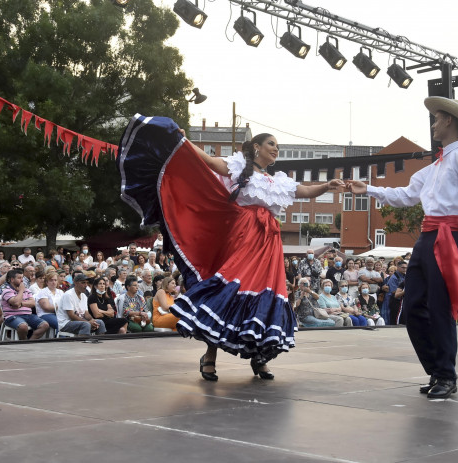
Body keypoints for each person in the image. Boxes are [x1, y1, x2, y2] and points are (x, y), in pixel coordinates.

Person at [119, 117, 345, 381]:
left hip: (269, 244)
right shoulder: (240, 167)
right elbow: (211, 163)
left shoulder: (279, 181)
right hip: (243, 237)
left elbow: (305, 191)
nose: (276, 149)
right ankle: (210, 356)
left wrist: (327, 186)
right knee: (228, 293)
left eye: (278, 146)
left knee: (267, 297)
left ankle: (261, 358)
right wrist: (186, 142)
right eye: (271, 144)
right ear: (257, 147)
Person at [347, 97, 458, 399]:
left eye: (437, 118)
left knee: (440, 308)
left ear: (449, 122)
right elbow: (406, 194)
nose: (433, 123)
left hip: (447, 235)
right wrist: (370, 189)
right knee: (413, 307)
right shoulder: (438, 164)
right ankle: (436, 370)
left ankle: (446, 374)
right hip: (428, 237)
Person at [0, 269, 49, 340]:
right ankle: (23, 342)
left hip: (28, 315)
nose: (22, 280)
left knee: (45, 325)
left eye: (22, 278)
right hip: (12, 316)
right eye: (19, 278)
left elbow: (32, 303)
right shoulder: (7, 291)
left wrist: (21, 304)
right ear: (12, 279)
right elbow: (16, 302)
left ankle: (30, 342)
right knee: (23, 326)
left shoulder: (27, 290)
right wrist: (21, 291)